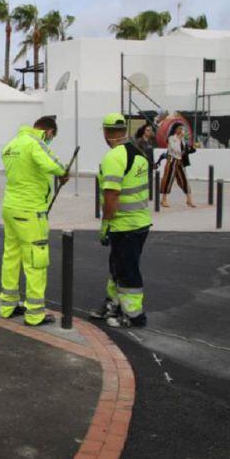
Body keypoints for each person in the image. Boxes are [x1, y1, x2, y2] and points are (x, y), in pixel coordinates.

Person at [0, 117, 68, 327]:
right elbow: (53, 164)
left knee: (11, 256)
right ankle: (35, 314)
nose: (50, 141)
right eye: (52, 137)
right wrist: (63, 172)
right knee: (36, 261)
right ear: (48, 131)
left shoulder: (12, 144)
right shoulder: (34, 142)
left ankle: (8, 306)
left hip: (10, 207)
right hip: (30, 211)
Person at [92, 113, 152, 329]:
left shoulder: (113, 157)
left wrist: (106, 223)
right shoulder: (139, 152)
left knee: (127, 270)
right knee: (117, 266)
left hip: (124, 224)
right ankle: (114, 304)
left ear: (106, 132)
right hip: (140, 222)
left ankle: (134, 315)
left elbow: (112, 195)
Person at [160, 123, 196, 208]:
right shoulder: (171, 138)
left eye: (182, 129)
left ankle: (189, 199)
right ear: (175, 129)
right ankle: (163, 199)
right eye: (180, 128)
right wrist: (180, 139)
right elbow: (175, 149)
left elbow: (184, 151)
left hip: (180, 162)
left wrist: (191, 148)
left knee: (184, 180)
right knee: (168, 180)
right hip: (172, 161)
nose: (182, 130)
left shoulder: (183, 140)